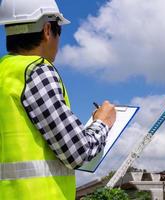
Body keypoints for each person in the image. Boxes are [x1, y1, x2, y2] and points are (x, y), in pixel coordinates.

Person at [0, 0, 116, 199]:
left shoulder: (5, 72)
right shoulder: (36, 71)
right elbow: (78, 152)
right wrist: (103, 122)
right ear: (47, 30)